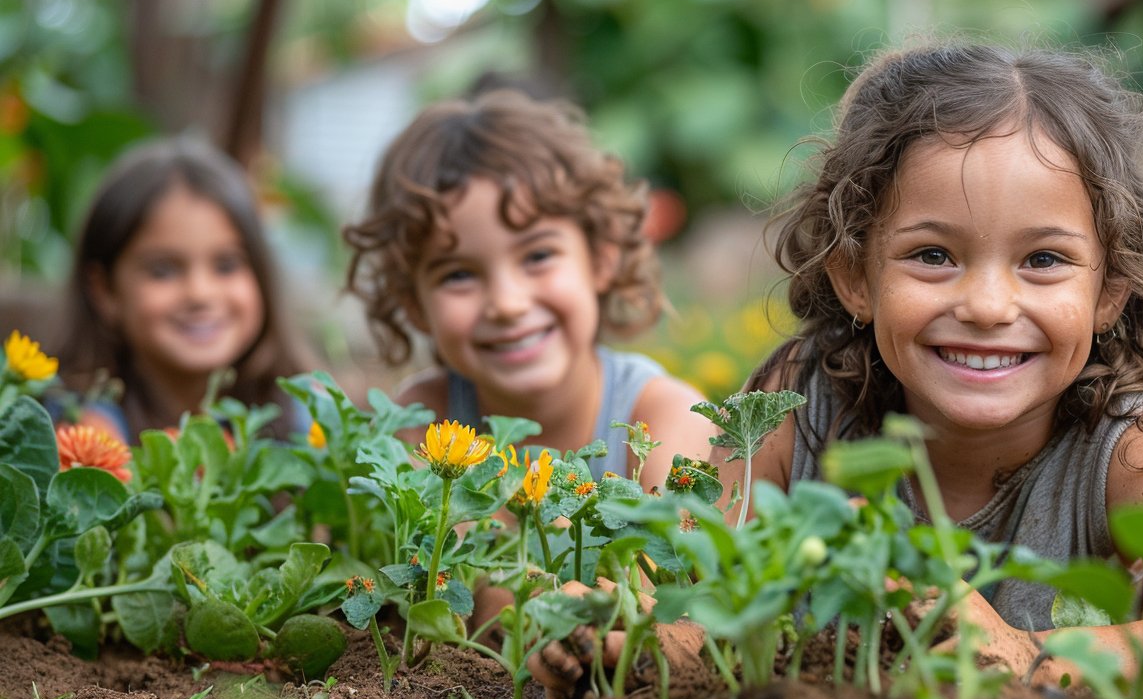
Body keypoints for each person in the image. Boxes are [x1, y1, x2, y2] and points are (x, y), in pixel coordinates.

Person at [710, 40, 1143, 692]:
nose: (986, 306)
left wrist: (1029, 657)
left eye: (1042, 261)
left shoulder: (1128, 449)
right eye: (932, 255)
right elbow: (677, 583)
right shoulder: (797, 409)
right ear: (854, 275)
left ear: (1111, 287)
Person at [342, 89, 716, 488]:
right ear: (413, 303)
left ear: (601, 258)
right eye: (457, 275)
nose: (506, 304)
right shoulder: (419, 422)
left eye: (537, 256)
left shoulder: (666, 422)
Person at [56, 136, 314, 443]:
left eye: (227, 265)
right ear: (104, 291)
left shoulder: (308, 419)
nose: (200, 293)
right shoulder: (80, 434)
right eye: (163, 270)